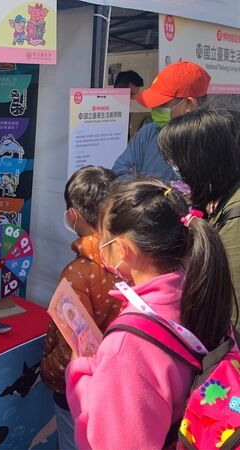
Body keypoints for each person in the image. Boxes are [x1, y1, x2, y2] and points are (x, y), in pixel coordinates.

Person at [66, 178, 236, 449]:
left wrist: (81, 373)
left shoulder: (125, 348)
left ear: (123, 249)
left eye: (104, 241)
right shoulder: (202, 288)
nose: (101, 249)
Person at [40, 166, 121, 450]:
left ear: (73, 215)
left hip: (82, 390)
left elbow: (71, 348)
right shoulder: (133, 258)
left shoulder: (77, 274)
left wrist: (48, 371)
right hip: (120, 382)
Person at [159, 107, 240, 336]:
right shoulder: (220, 196)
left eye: (178, 159)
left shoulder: (235, 218)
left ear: (203, 160)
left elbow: (232, 309)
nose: (175, 168)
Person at [111, 61, 210, 180]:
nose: (154, 109)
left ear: (189, 104)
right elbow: (119, 173)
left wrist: (140, 182)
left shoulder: (210, 142)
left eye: (161, 104)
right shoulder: (149, 132)